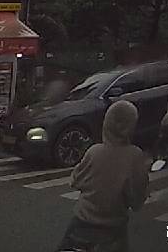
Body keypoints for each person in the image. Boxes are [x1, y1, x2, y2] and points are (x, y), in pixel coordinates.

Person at [58, 100, 149, 252]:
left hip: (82, 223)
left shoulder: (94, 151)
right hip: (113, 229)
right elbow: (137, 201)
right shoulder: (135, 156)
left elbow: (75, 181)